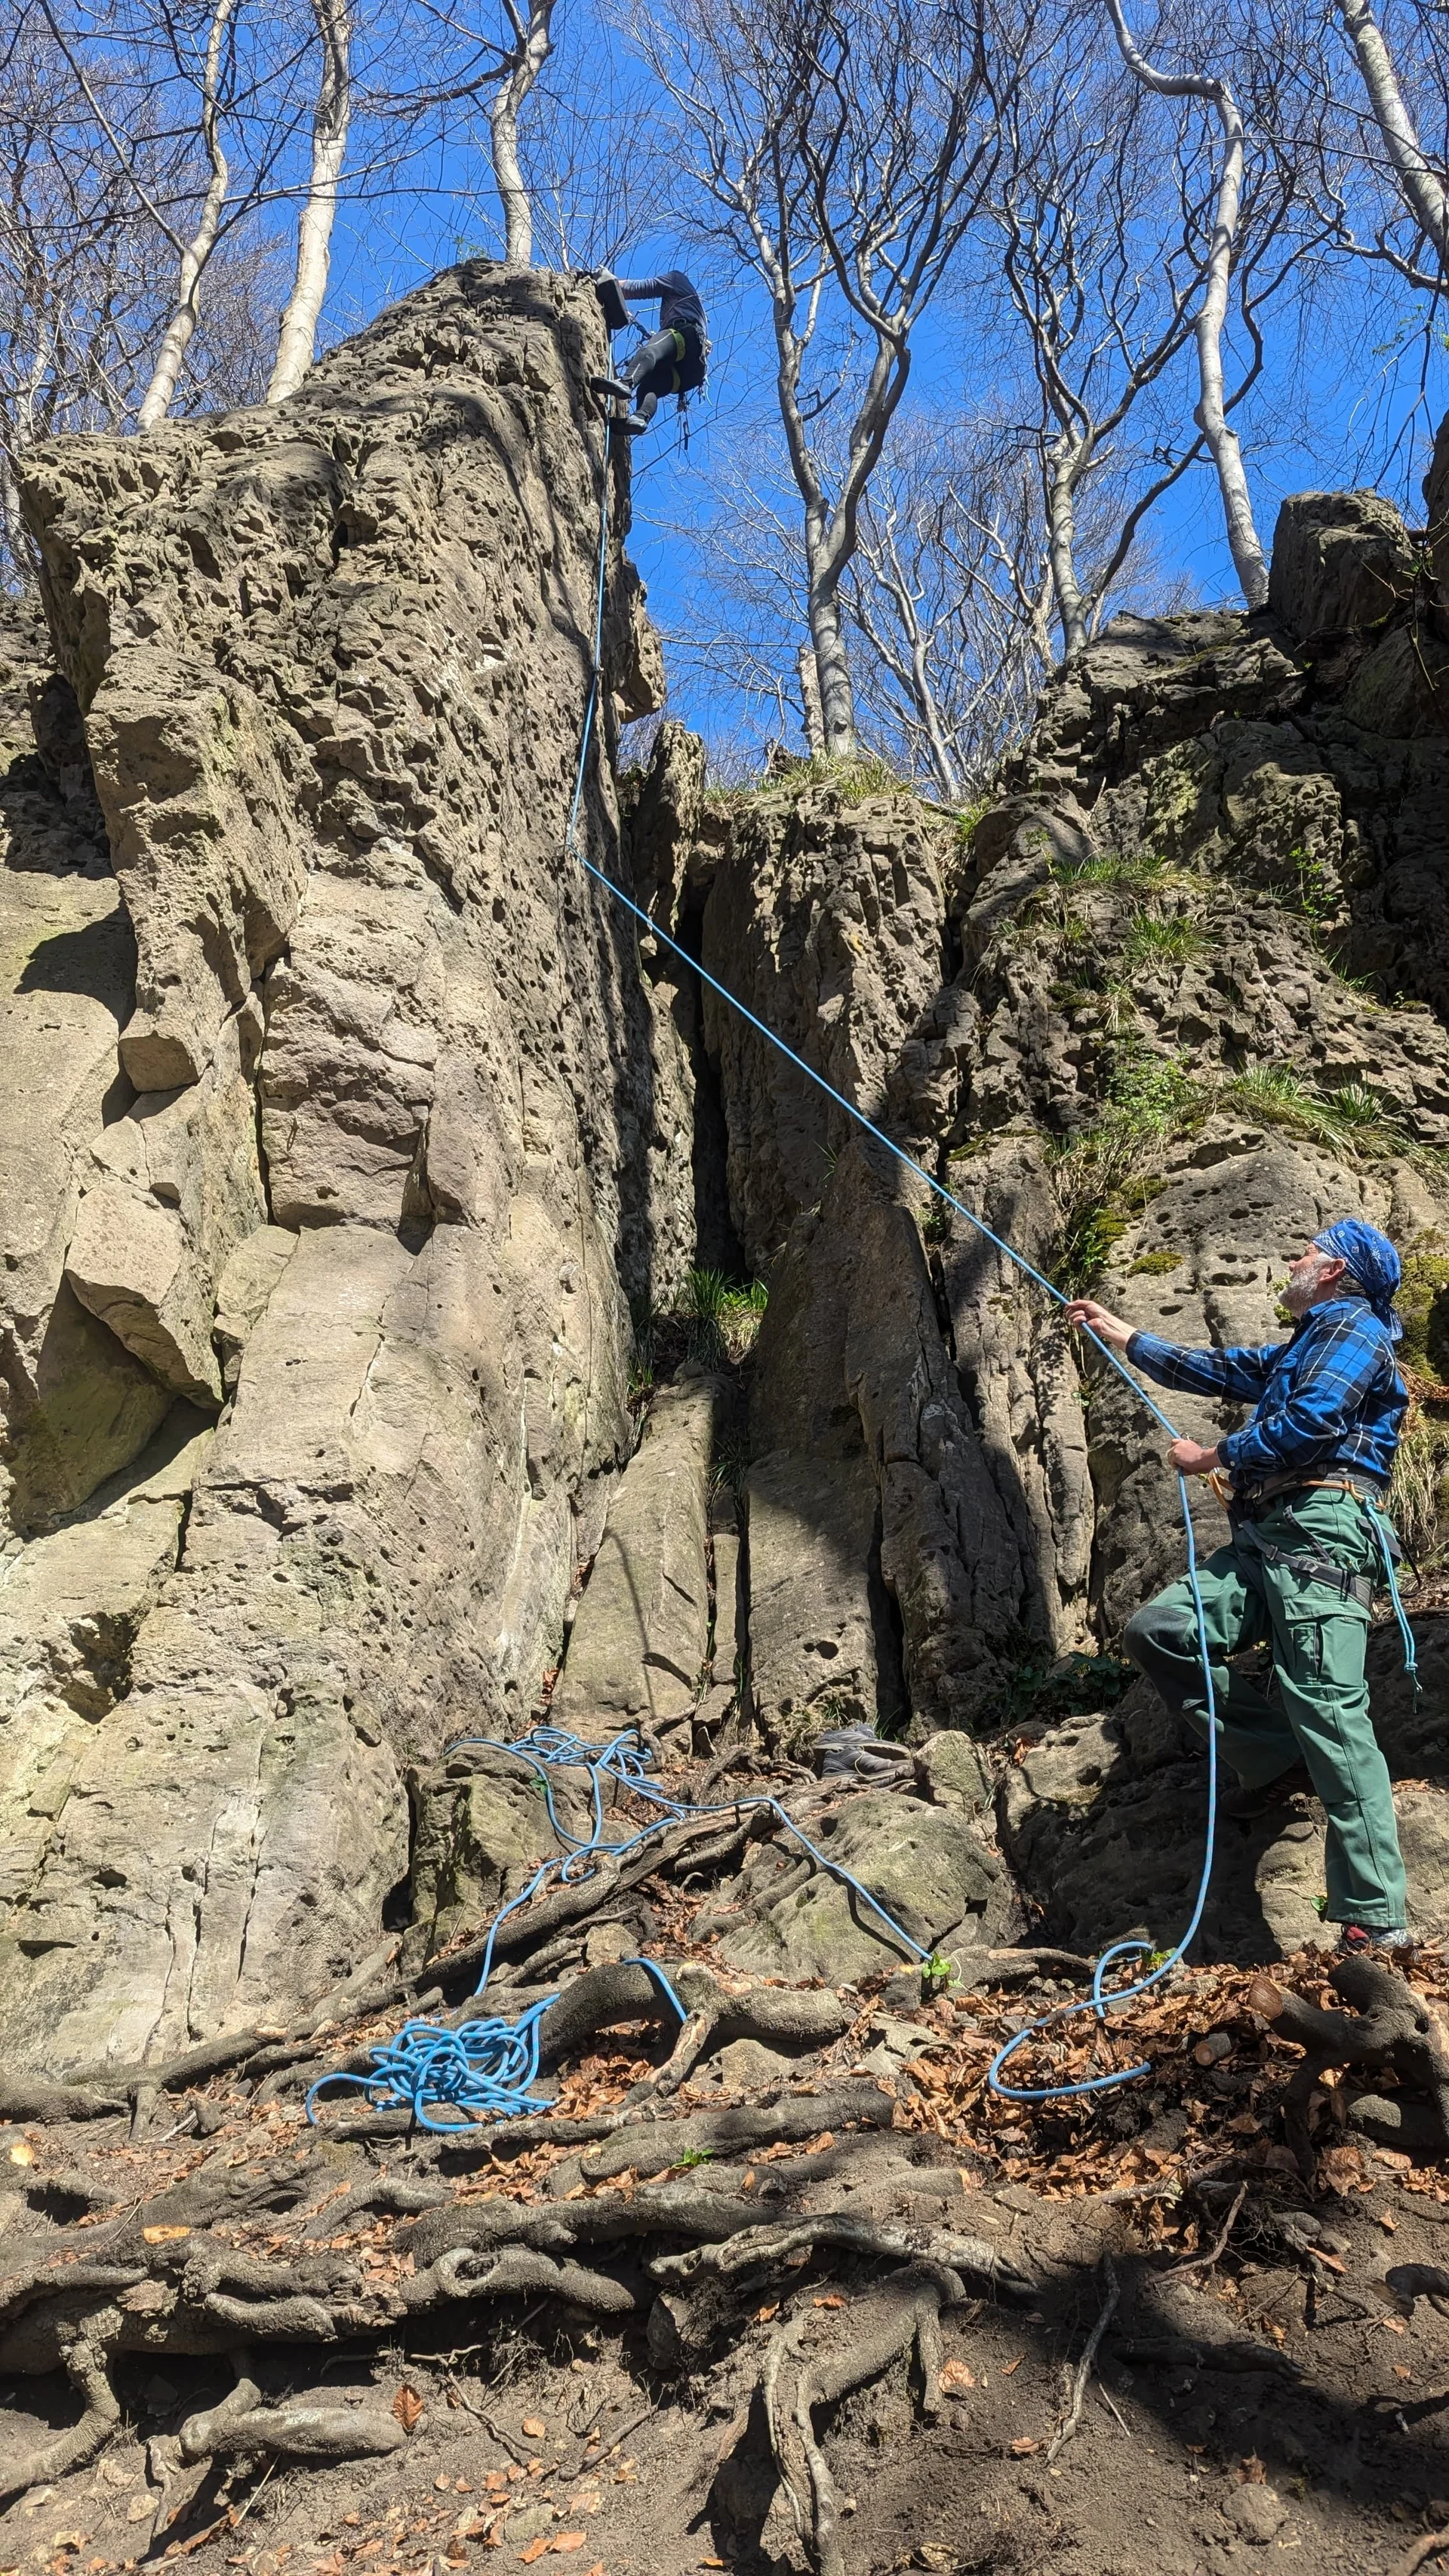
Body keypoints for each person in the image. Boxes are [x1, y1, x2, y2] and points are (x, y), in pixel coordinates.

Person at [1066, 1220, 1412, 1954]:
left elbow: (1315, 1420)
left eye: (1307, 1250)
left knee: (1331, 1706)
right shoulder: (1307, 1343)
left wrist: (1214, 1454)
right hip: (1265, 1540)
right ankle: (1275, 1752)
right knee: (1158, 1630)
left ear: (1335, 1271)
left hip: (1323, 1531)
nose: (1293, 1258)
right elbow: (1218, 1369)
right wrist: (1119, 1330)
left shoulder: (1354, 1328)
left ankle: (1375, 1913)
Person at [589, 269, 707, 435]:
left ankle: (626, 383)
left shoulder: (676, 278)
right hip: (690, 375)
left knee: (650, 349)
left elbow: (643, 287)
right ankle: (640, 419)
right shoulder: (693, 306)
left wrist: (609, 282)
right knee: (648, 385)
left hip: (686, 336)